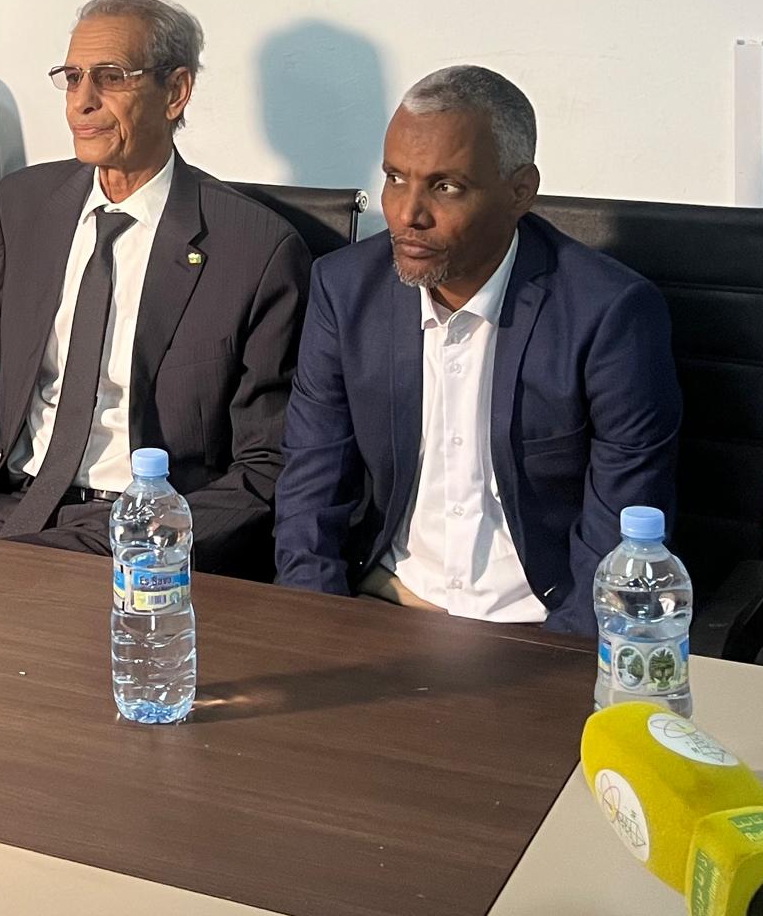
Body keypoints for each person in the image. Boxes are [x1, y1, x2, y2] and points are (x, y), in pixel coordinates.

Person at [0, 0, 307, 576]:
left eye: (110, 77)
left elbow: (267, 464)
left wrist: (153, 537)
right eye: (72, 78)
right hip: (9, 506)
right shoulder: (25, 204)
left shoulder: (256, 248)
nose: (82, 100)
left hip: (146, 531)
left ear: (176, 91)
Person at [274, 66, 680, 631]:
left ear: (520, 191)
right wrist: (312, 625)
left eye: (446, 187)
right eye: (396, 178)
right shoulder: (345, 290)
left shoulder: (609, 314)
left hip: (536, 625)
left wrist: (559, 662)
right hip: (388, 602)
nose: (408, 214)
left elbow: (621, 531)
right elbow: (310, 490)